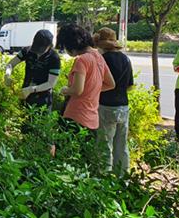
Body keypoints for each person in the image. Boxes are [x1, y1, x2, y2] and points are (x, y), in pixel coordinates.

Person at [4, 29, 61, 156]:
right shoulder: (27, 51)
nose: (38, 52)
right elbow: (10, 65)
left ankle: (47, 158)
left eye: (42, 49)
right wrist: (7, 75)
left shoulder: (54, 58)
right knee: (26, 127)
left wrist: (31, 89)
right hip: (25, 96)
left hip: (43, 98)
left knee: (44, 130)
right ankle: (27, 155)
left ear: (50, 46)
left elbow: (51, 83)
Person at [57, 24, 115, 132]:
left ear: (71, 44)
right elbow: (111, 84)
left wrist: (65, 90)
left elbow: (77, 90)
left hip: (76, 115)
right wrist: (91, 90)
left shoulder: (82, 60)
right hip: (92, 119)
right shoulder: (98, 56)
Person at [94, 28, 134, 174]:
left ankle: (103, 176)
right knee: (121, 146)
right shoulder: (126, 59)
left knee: (104, 144)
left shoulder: (102, 60)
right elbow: (130, 85)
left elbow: (96, 84)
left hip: (105, 105)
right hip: (123, 106)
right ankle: (123, 177)